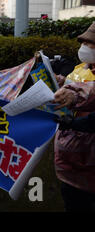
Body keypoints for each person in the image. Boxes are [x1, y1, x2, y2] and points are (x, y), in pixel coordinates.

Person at [52, 22, 95, 211]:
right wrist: (63, 83)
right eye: (85, 43)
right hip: (70, 161)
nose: (86, 48)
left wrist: (73, 94)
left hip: (88, 163)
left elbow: (89, 92)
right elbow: (76, 84)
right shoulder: (84, 67)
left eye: (92, 45)